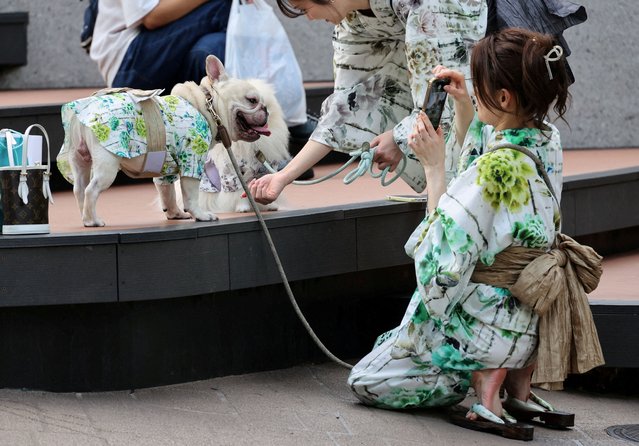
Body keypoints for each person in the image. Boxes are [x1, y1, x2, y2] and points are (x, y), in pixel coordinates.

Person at [346, 27, 576, 439]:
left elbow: (438, 264)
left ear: (504, 98)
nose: (474, 87)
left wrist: (434, 168)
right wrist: (468, 109)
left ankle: (480, 378)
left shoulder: (493, 171)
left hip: (484, 327)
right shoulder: (548, 140)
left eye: (481, 84)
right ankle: (518, 384)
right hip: (528, 316)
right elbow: (493, 171)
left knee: (366, 379)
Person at [248, 0, 586, 205]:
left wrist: (399, 137)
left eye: (306, 8)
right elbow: (345, 105)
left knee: (463, 125)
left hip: (485, 65)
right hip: (454, 82)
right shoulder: (348, 20)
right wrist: (283, 177)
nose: (307, 18)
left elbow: (444, 91)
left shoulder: (430, 7)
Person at [89, 0, 317, 175]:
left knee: (212, 48)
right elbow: (151, 17)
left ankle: (260, 154)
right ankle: (288, 130)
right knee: (224, 5)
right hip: (131, 61)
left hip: (171, 56)